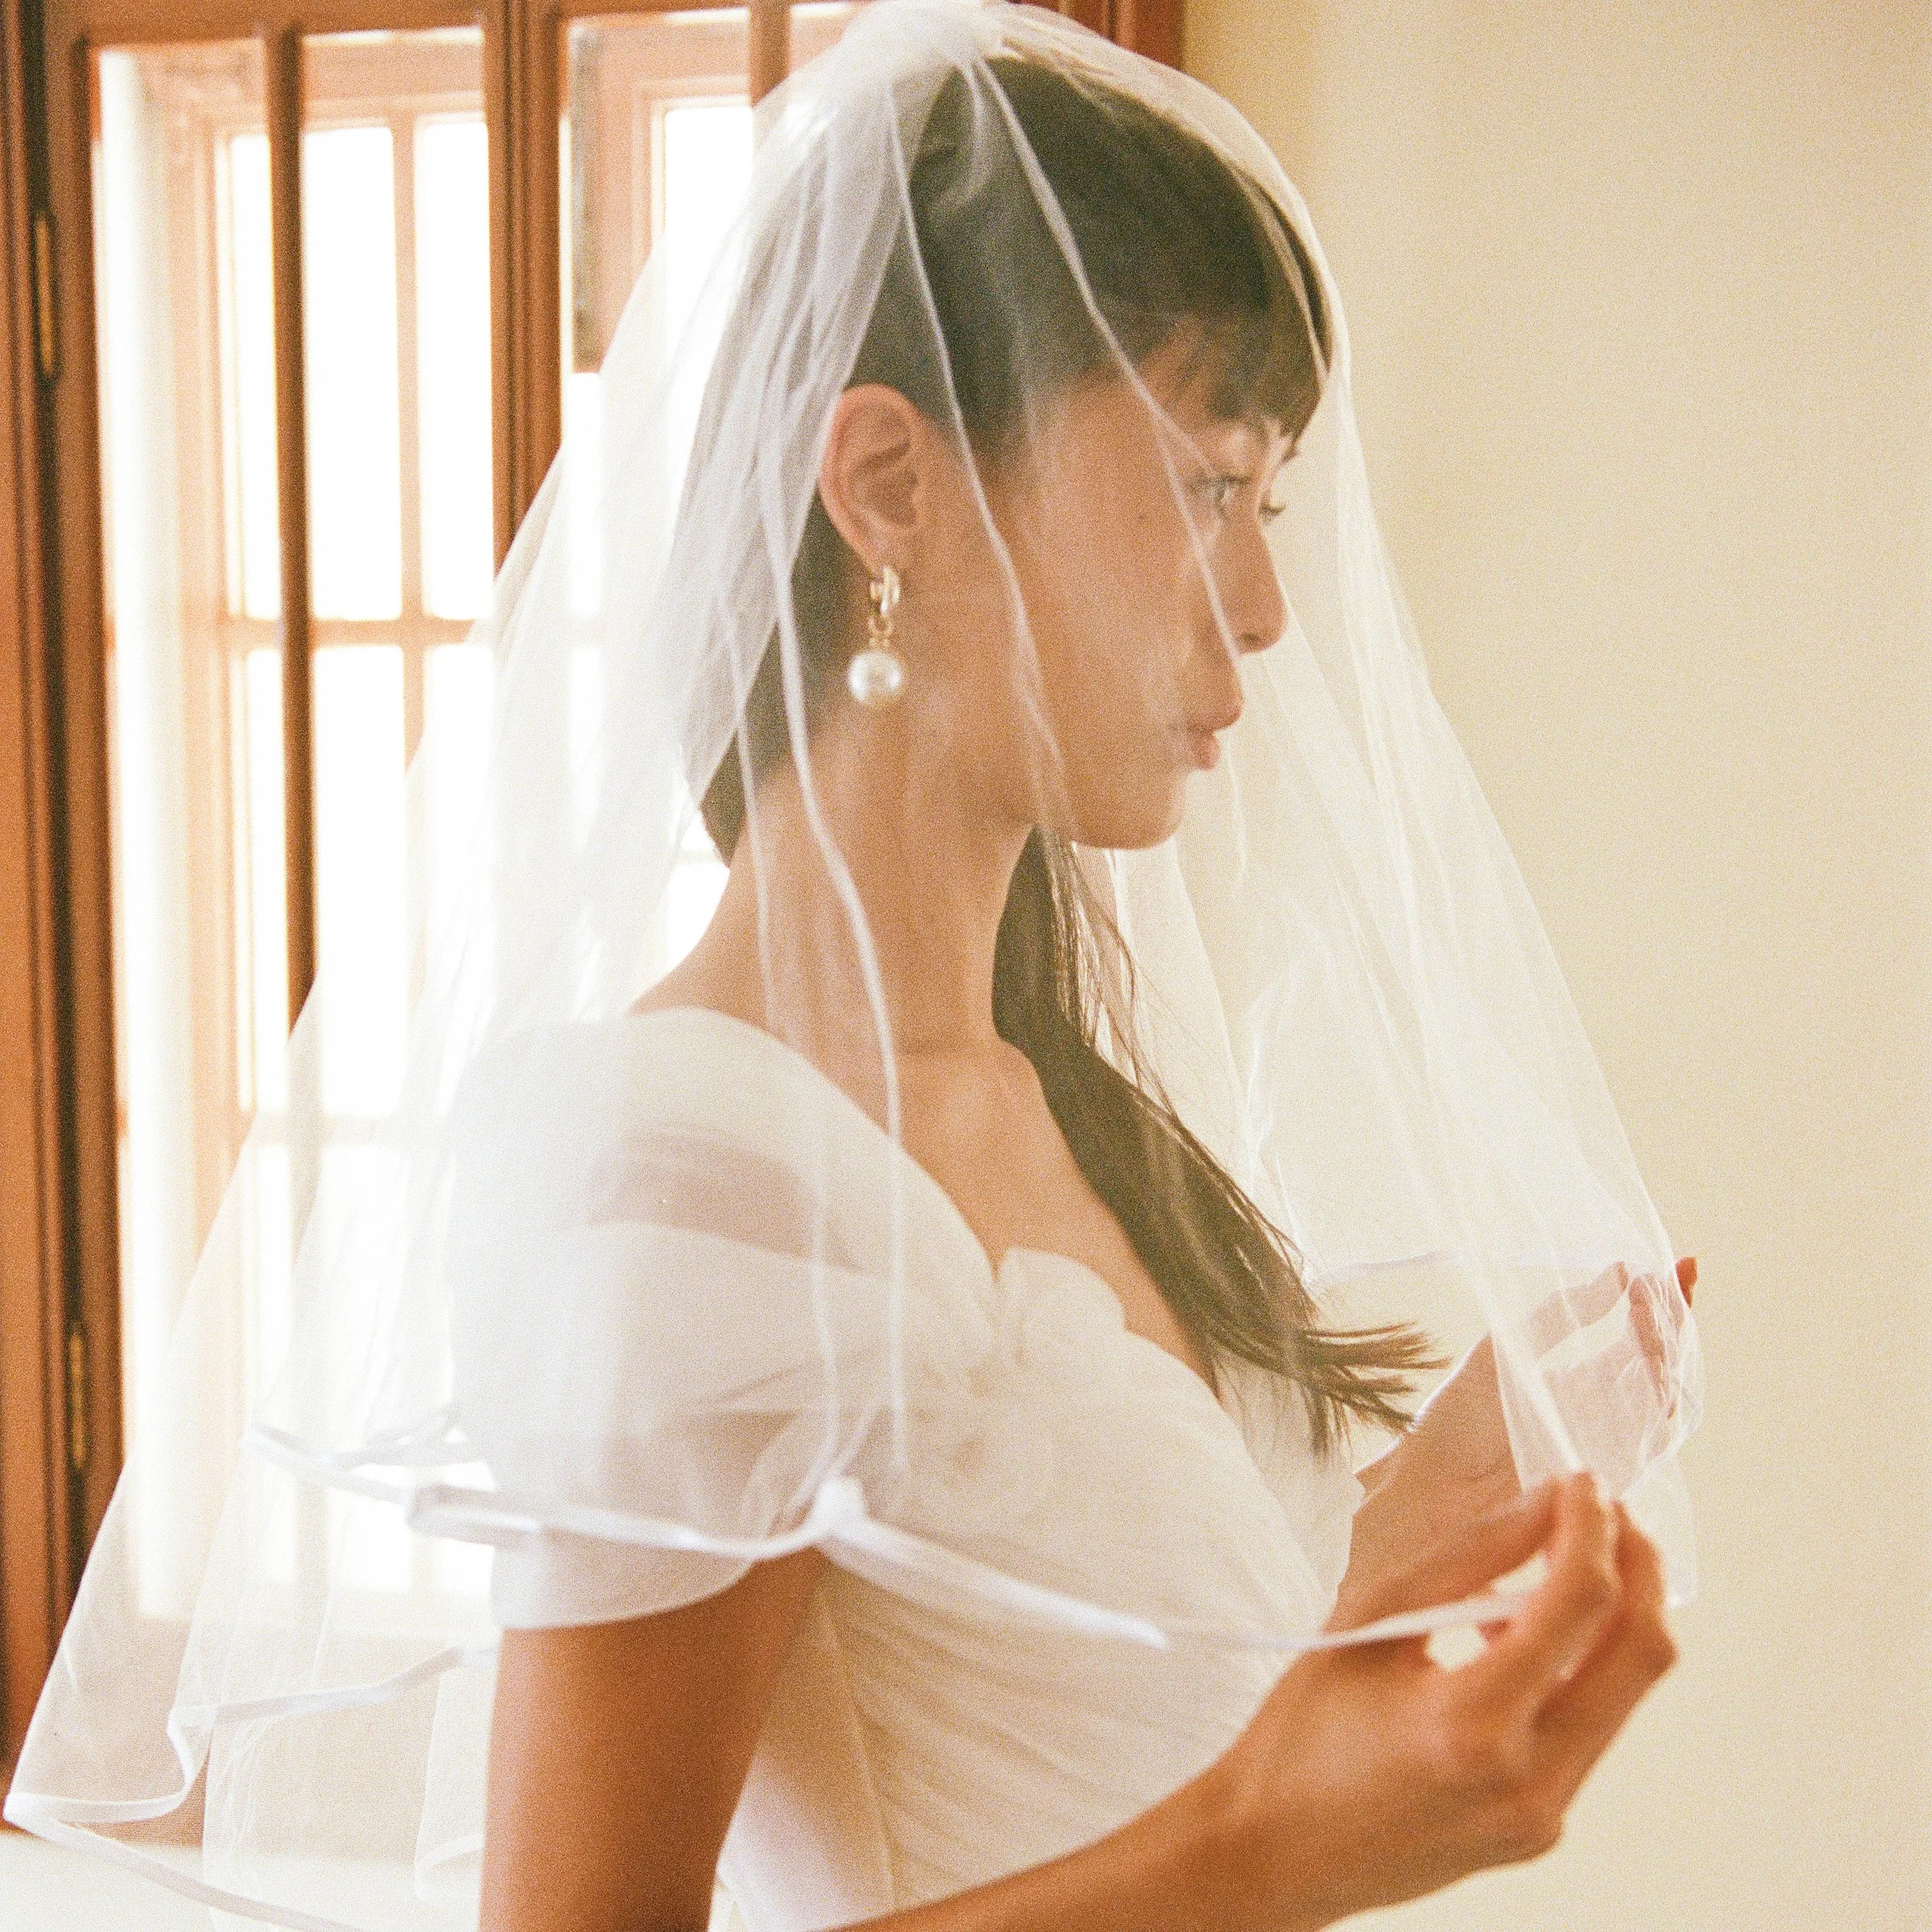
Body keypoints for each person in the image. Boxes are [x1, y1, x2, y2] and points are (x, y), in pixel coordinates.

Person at [2, 4, 1700, 1927]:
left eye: (1270, 499)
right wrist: (1276, 1842)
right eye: (1209, 485)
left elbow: (1083, 1734)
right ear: (887, 486)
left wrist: (1395, 1547)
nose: (1263, 607)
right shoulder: (699, 1168)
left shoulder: (1045, 1092)